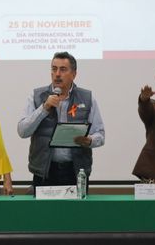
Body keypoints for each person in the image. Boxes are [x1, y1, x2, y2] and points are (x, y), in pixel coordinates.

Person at [18, 52, 105, 192]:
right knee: (45, 214)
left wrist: (89, 141)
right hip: (44, 172)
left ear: (74, 74)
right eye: (54, 69)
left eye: (63, 69)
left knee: (75, 214)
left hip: (76, 172)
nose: (57, 74)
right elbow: (22, 131)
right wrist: (44, 108)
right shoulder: (37, 96)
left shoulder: (87, 98)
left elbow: (100, 135)